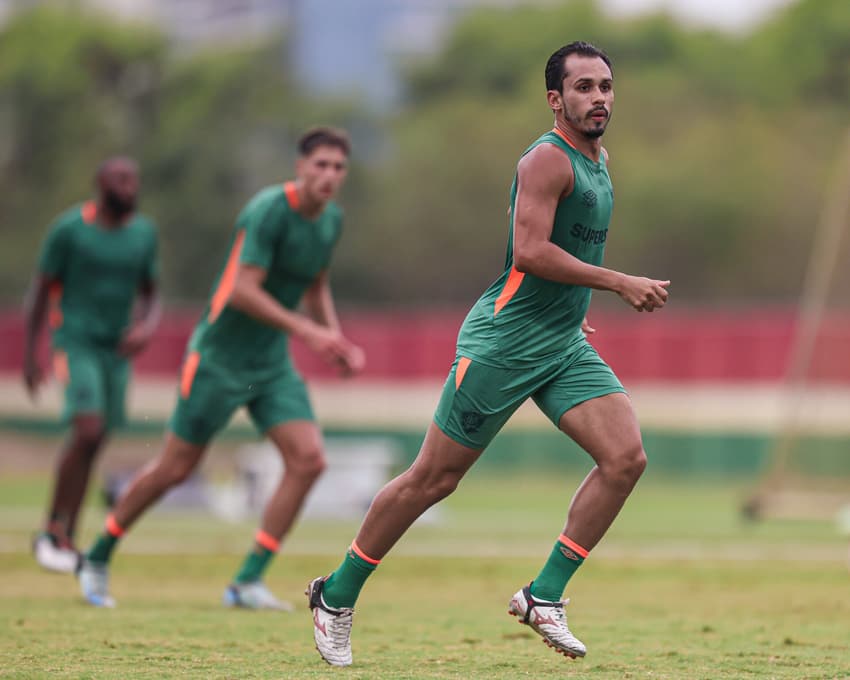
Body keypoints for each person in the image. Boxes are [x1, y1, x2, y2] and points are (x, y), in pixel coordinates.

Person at [307, 41, 671, 667]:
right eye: (584, 88)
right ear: (556, 100)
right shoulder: (545, 161)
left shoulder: (600, 159)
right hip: (503, 342)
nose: (599, 98)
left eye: (605, 86)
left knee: (625, 458)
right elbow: (528, 253)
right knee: (433, 479)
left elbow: (553, 263)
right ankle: (335, 595)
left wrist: (571, 318)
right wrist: (617, 282)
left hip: (559, 343)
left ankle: (544, 596)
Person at [78, 127, 365, 610]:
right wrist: (308, 333)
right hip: (217, 359)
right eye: (320, 164)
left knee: (308, 459)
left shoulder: (330, 221)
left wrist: (332, 337)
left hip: (269, 364)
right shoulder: (268, 211)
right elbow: (241, 290)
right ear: (300, 166)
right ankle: (98, 554)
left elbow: (316, 285)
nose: (329, 175)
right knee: (174, 469)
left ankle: (247, 581)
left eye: (338, 167)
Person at [25, 157, 161, 573]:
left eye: (134, 180)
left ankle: (66, 537)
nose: (130, 187)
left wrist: (146, 328)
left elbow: (152, 292)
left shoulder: (143, 234)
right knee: (87, 428)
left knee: (96, 440)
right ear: (100, 184)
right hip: (75, 341)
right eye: (121, 180)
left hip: (116, 350)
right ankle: (51, 531)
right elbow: (40, 290)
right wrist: (31, 355)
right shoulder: (69, 230)